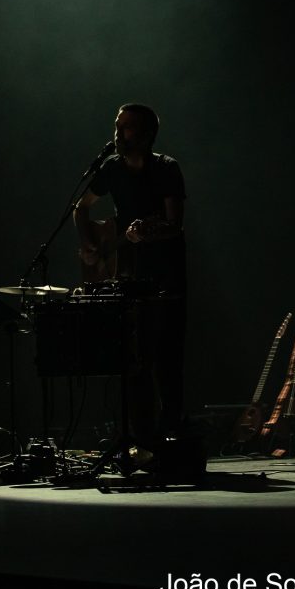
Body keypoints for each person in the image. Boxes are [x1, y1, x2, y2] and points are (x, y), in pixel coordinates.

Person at [73, 103, 187, 456]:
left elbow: (174, 225)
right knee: (133, 360)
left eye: (127, 127)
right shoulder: (111, 168)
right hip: (126, 273)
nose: (119, 133)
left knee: (166, 359)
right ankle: (140, 440)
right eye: (117, 125)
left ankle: (169, 440)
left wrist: (149, 232)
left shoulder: (166, 168)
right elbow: (81, 207)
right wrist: (89, 244)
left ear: (147, 134)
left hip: (165, 274)